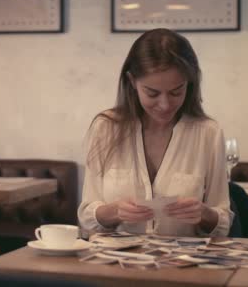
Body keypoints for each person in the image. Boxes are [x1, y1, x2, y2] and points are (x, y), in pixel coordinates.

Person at [78, 28, 233, 237]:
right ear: (132, 82)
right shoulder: (106, 128)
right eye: (152, 93)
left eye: (176, 92)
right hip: (116, 263)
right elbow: (87, 218)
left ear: (190, 83)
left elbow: (222, 223)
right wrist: (114, 211)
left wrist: (204, 214)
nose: (165, 104)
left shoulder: (208, 133)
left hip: (184, 264)